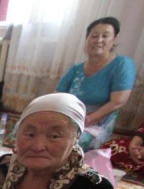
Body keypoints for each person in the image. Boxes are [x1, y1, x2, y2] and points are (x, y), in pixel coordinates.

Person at [56, 17, 136, 152]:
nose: (99, 40)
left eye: (105, 36)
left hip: (96, 123)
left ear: (113, 40)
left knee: (64, 142)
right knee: (28, 130)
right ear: (87, 39)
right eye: (94, 36)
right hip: (69, 116)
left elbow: (118, 102)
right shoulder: (76, 69)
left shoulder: (122, 64)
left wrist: (87, 120)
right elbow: (57, 95)